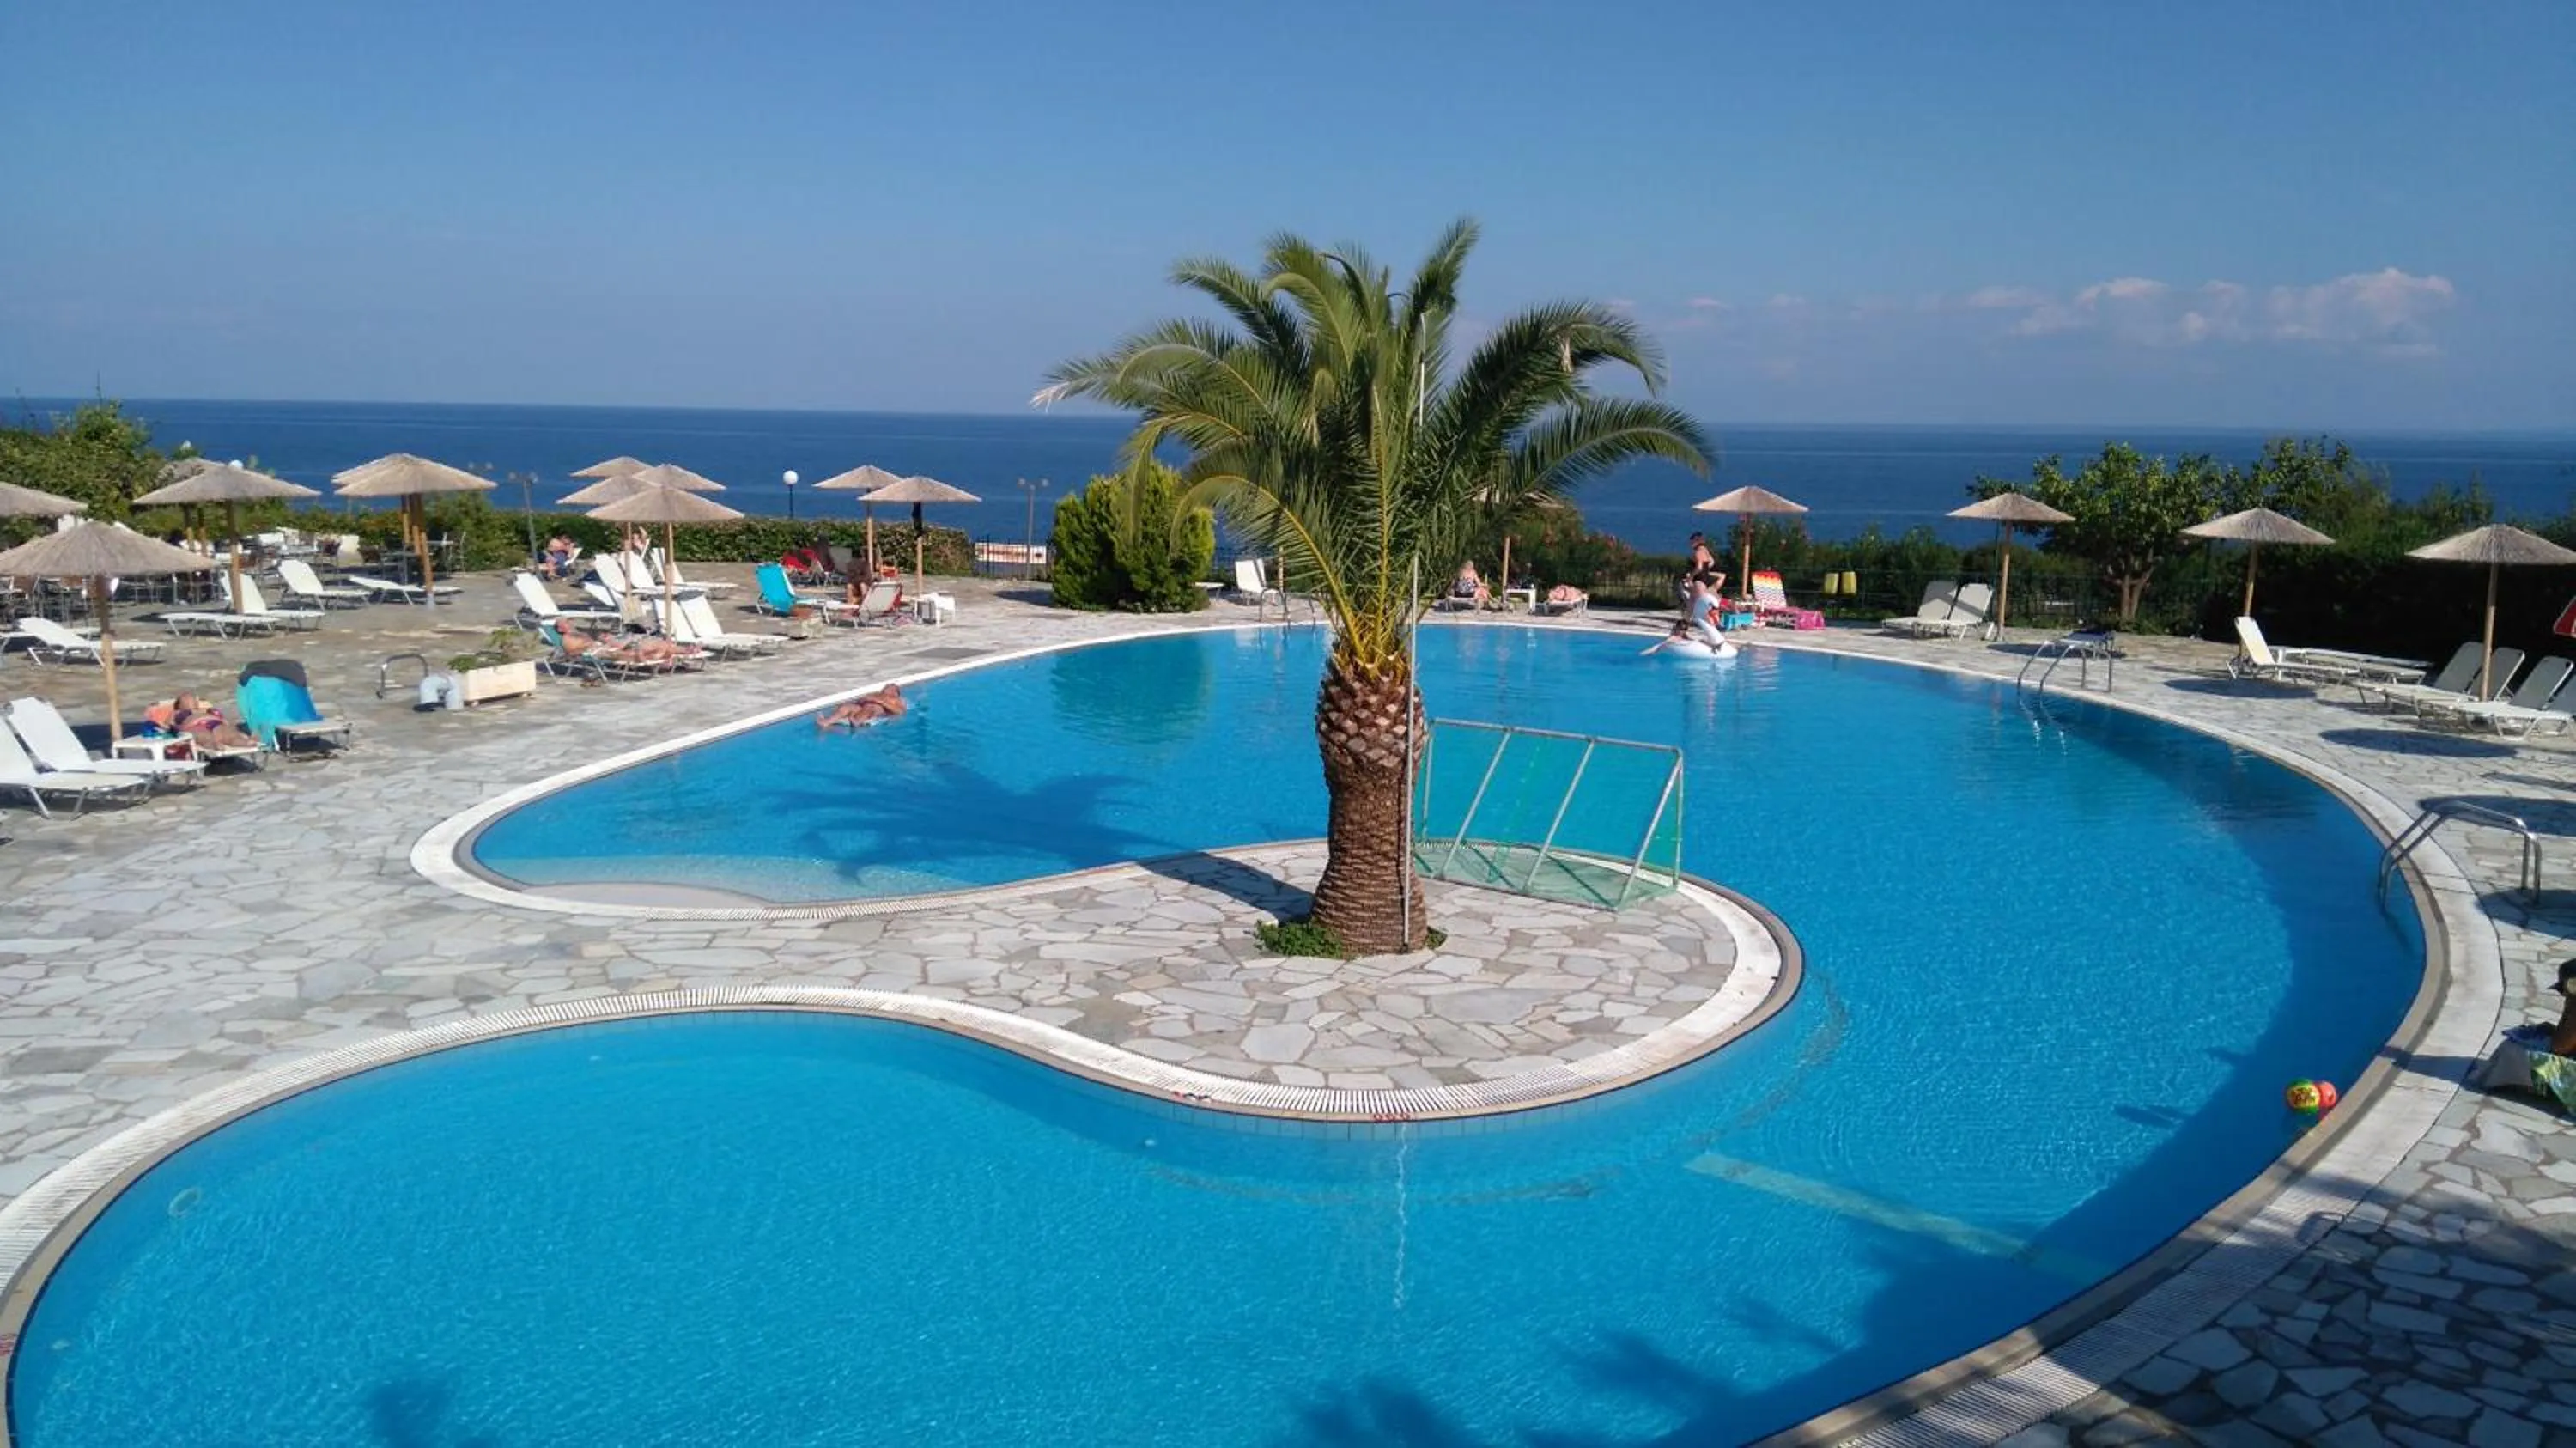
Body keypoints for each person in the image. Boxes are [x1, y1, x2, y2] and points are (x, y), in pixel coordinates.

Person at [147, 692, 258, 751]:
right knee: (204, 737)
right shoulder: (176, 713)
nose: (190, 700)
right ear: (179, 705)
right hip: (193, 726)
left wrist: (234, 729)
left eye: (192, 698)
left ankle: (245, 743)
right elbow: (168, 726)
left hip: (215, 723)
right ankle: (214, 745)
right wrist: (174, 730)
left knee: (229, 735)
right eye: (185, 698)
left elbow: (226, 721)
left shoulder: (206, 709)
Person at [817, 684, 907, 729]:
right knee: (847, 707)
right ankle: (827, 722)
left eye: (890, 687)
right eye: (886, 686)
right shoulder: (876, 693)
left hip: (876, 710)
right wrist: (863, 700)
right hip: (861, 708)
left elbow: (899, 711)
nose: (887, 687)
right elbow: (859, 701)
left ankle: (856, 722)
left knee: (871, 706)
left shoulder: (897, 700)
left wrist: (878, 701)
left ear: (896, 693)